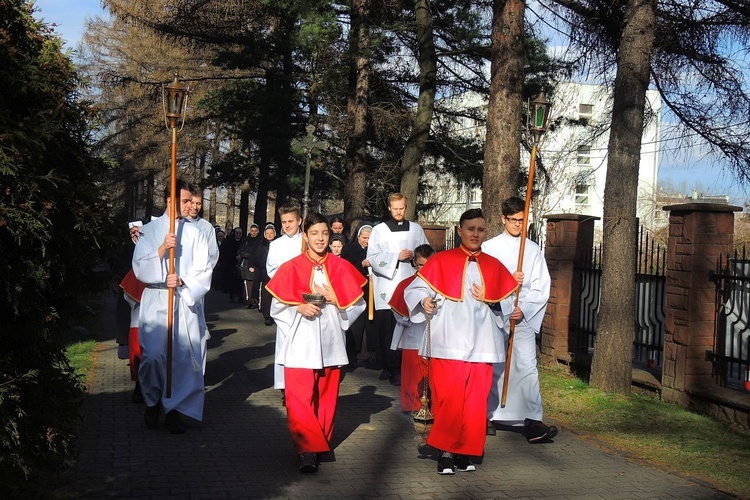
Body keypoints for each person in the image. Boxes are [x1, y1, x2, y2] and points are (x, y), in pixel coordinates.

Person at [404, 208, 517, 474]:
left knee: (475, 401)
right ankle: (445, 450)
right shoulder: (441, 260)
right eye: (470, 229)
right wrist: (425, 300)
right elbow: (416, 288)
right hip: (448, 340)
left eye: (480, 229)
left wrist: (493, 298)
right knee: (449, 398)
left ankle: (465, 450)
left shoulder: (494, 265)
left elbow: (508, 305)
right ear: (460, 231)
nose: (475, 234)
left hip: (482, 343)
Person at [265, 212, 366, 473]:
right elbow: (276, 307)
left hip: (331, 340)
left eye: (324, 234)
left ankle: (320, 444)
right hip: (300, 341)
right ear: (305, 236)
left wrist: (336, 298)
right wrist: (297, 307)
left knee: (327, 396)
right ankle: (307, 449)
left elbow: (358, 305)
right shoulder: (291, 267)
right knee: (298, 398)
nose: (320, 239)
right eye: (314, 234)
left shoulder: (342, 266)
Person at [132, 179, 214, 434]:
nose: (191, 205)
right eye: (186, 200)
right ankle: (153, 400)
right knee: (155, 356)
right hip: (157, 302)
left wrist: (182, 280)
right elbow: (139, 267)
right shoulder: (149, 230)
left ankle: (174, 409)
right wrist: (161, 249)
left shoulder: (196, 233)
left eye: (192, 200)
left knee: (180, 359)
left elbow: (204, 270)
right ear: (171, 201)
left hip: (183, 300)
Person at [482, 196, 557, 443]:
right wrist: (507, 285)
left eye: (522, 220)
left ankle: (533, 420)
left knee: (527, 366)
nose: (518, 225)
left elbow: (541, 286)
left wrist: (523, 308)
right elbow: (482, 284)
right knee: (493, 365)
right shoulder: (489, 248)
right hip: (494, 316)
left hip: (522, 316)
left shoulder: (533, 249)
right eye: (513, 220)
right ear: (503, 219)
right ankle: (487, 416)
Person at [367, 193, 428, 385]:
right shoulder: (379, 230)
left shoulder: (416, 229)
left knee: (407, 325)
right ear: (389, 208)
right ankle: (387, 365)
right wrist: (395, 257)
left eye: (401, 208)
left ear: (406, 206)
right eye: (395, 208)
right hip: (387, 283)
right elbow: (372, 257)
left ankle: (402, 366)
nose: (398, 211)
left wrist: (414, 257)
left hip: (410, 280)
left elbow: (425, 252)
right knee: (387, 327)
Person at [388, 244, 435, 412]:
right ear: (414, 262)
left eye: (429, 264)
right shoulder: (406, 283)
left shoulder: (439, 283)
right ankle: (412, 406)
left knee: (431, 375)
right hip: (412, 336)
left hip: (434, 337)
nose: (425, 268)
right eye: (421, 264)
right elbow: (397, 311)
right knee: (412, 375)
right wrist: (406, 318)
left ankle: (431, 406)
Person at [266, 205, 304, 398]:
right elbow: (272, 270)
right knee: (285, 340)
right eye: (284, 222)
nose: (287, 225)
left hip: (305, 299)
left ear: (299, 221)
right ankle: (285, 386)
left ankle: (302, 383)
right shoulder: (276, 245)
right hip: (286, 299)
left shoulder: (307, 242)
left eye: (291, 221)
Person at [341, 224, 374, 368]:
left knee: (370, 321)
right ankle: (352, 355)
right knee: (355, 322)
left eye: (369, 238)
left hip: (371, 289)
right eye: (364, 238)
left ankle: (367, 355)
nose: (366, 241)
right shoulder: (349, 249)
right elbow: (345, 267)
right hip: (354, 288)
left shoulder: (375, 249)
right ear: (358, 236)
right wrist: (360, 264)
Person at [253, 223, 276, 324]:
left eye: (271, 233)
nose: (269, 235)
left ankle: (275, 315)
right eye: (268, 233)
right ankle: (266, 315)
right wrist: (267, 263)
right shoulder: (261, 245)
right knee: (266, 296)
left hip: (276, 274)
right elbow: (256, 259)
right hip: (264, 274)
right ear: (265, 234)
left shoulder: (279, 244)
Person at [238, 224, 261, 308]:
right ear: (250, 231)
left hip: (257, 263)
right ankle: (248, 300)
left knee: (256, 282)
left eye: (255, 231)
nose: (254, 233)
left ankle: (256, 300)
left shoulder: (260, 241)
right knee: (247, 283)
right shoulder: (246, 240)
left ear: (258, 231)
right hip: (247, 263)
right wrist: (250, 255)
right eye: (252, 231)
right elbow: (241, 251)